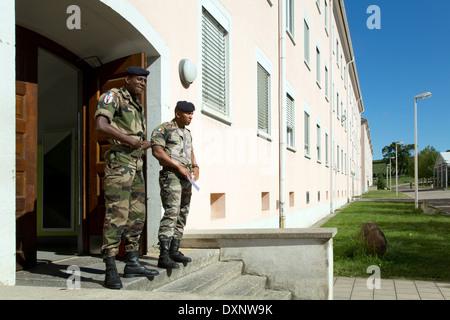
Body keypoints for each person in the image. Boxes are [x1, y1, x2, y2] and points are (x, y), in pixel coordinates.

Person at [95, 66, 159, 290]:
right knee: (117, 214)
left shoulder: (136, 103)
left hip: (136, 162)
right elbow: (101, 125)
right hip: (120, 162)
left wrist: (145, 143)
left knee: (137, 213)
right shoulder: (113, 96)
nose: (142, 83)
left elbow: (134, 135)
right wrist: (130, 141)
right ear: (128, 79)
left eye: (145, 81)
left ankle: (131, 262)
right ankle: (110, 268)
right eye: (139, 80)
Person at [150, 101, 199, 269]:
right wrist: (178, 166)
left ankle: (174, 250)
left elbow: (191, 152)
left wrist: (195, 167)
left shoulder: (187, 133)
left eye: (192, 114)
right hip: (171, 175)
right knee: (172, 212)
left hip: (186, 178)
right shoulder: (163, 129)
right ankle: (163, 255)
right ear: (178, 113)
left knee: (183, 212)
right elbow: (157, 151)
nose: (191, 117)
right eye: (188, 114)